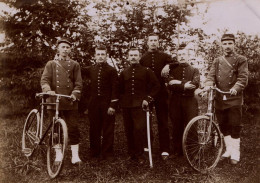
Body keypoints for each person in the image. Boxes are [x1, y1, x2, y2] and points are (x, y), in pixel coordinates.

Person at [205, 33, 248, 164]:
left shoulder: (241, 59)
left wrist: (236, 88)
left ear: (234, 44)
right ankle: (229, 149)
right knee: (223, 125)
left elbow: (243, 77)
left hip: (234, 98)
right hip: (220, 97)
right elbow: (211, 75)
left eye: (230, 43)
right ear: (221, 45)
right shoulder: (217, 60)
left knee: (234, 125)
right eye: (225, 43)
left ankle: (236, 152)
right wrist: (208, 84)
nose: (227, 46)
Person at [41, 37, 83, 165]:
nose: (65, 49)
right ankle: (58, 155)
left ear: (70, 50)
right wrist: (48, 90)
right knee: (55, 129)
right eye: (63, 47)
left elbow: (79, 83)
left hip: (69, 101)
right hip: (54, 101)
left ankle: (75, 156)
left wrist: (75, 94)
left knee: (73, 127)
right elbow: (45, 80)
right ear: (58, 49)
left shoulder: (75, 65)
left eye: (67, 47)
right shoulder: (51, 64)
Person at [119, 48, 160, 164]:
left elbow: (156, 86)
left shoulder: (147, 71)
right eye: (131, 55)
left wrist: (148, 99)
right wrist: (122, 101)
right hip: (127, 105)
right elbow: (120, 89)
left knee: (139, 129)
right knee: (129, 129)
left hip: (141, 105)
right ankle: (132, 154)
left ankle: (140, 154)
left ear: (139, 57)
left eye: (135, 55)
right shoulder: (124, 72)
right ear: (128, 57)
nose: (133, 57)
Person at [139, 34, 173, 159]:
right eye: (151, 40)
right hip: (147, 94)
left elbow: (175, 63)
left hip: (161, 94)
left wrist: (168, 65)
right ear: (147, 43)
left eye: (155, 41)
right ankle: (148, 146)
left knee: (163, 120)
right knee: (146, 120)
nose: (153, 43)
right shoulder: (142, 58)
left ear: (158, 43)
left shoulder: (165, 56)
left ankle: (165, 149)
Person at [84, 46, 119, 160]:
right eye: (98, 54)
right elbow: (75, 69)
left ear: (106, 56)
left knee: (108, 128)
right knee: (94, 128)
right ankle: (94, 152)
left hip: (107, 103)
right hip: (93, 104)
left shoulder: (111, 70)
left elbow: (115, 89)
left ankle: (107, 153)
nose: (100, 56)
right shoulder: (91, 69)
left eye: (102, 54)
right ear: (95, 56)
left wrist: (113, 105)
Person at [167, 45, 200, 157]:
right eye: (179, 55)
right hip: (175, 101)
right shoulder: (173, 70)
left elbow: (194, 84)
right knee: (177, 125)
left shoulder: (194, 70)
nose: (181, 56)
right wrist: (184, 84)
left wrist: (178, 83)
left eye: (184, 54)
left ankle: (193, 152)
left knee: (192, 125)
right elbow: (170, 85)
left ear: (188, 56)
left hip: (190, 101)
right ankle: (178, 151)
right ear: (177, 56)